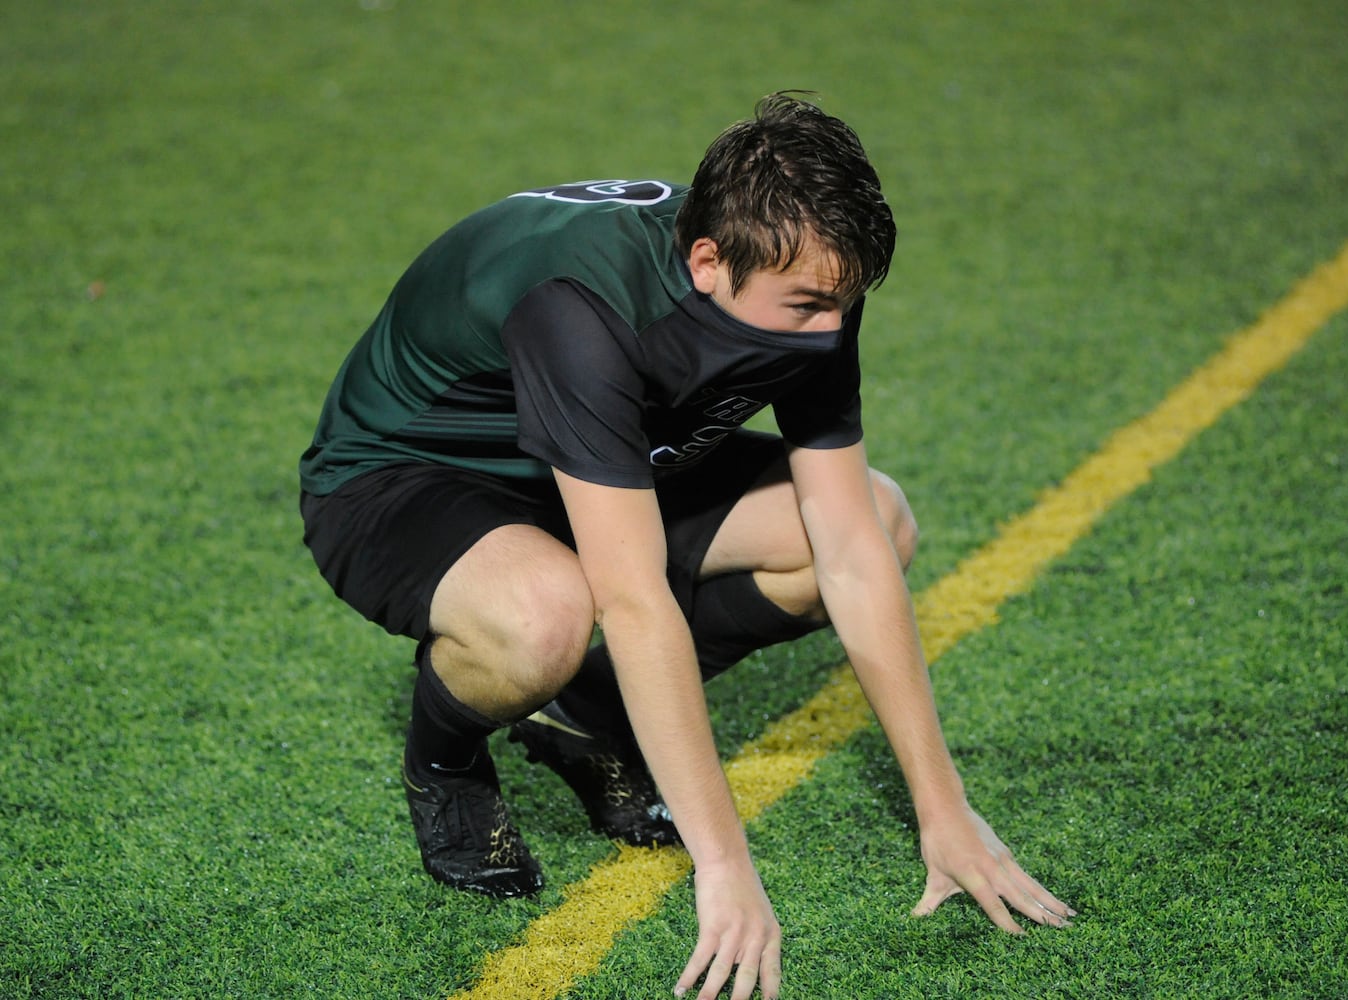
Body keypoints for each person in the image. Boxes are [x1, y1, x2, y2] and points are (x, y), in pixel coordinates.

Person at [299, 92, 1072, 1000]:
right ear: (706, 261)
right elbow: (632, 602)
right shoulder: (580, 307)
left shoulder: (812, 271)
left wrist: (944, 811)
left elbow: (852, 547)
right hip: (403, 477)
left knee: (881, 515)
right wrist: (724, 865)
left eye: (844, 303)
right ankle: (445, 762)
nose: (831, 331)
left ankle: (580, 718)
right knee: (548, 614)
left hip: (606, 458)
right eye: (808, 306)